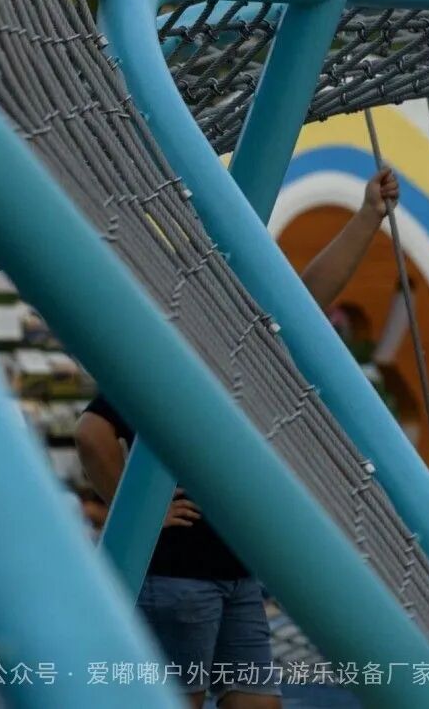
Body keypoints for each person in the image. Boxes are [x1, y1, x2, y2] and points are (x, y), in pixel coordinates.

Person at [76, 168, 400, 708]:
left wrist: (369, 215)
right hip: (178, 575)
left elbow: (307, 298)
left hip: (236, 573)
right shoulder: (173, 359)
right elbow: (92, 435)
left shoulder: (228, 352)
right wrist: (139, 511)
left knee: (255, 701)